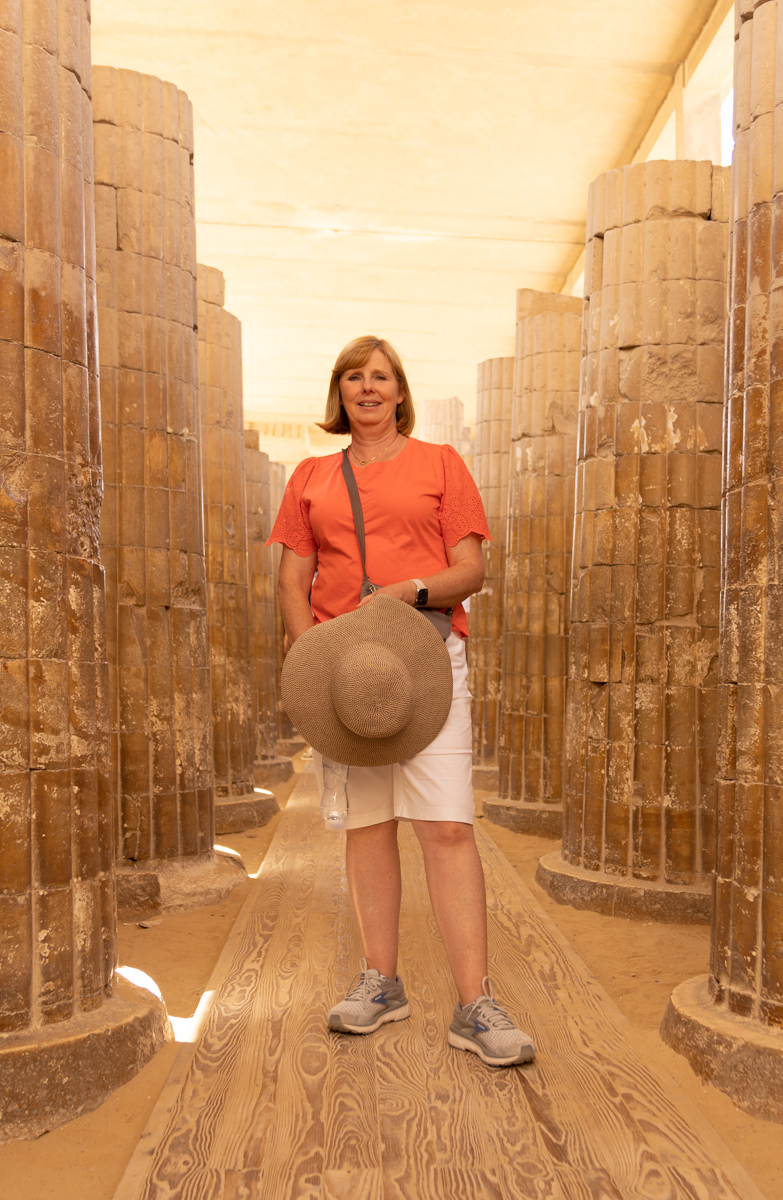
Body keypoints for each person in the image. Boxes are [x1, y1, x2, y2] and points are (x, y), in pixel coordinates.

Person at [267, 334, 535, 1067]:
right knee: (367, 826)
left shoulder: (440, 464)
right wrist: (312, 662)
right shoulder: (312, 476)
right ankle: (381, 983)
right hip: (346, 676)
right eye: (353, 376)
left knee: (445, 826)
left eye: (380, 376)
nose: (367, 387)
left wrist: (409, 590)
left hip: (424, 658)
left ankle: (475, 1002)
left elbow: (470, 568)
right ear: (339, 392)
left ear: (399, 390)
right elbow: (293, 581)